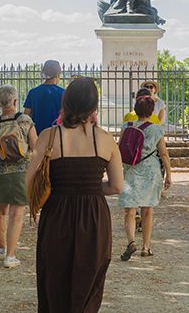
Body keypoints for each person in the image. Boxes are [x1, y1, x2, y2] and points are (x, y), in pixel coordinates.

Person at [26, 77, 123, 312]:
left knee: (54, 278)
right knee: (89, 281)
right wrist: (88, 187)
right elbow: (117, 186)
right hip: (93, 215)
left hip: (57, 212)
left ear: (66, 102)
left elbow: (28, 181)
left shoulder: (50, 136)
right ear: (94, 106)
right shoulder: (105, 139)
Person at [0, 85, 37, 268]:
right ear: (15, 101)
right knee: (17, 214)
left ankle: (1, 247)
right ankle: (11, 256)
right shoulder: (25, 120)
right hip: (21, 171)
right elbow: (35, 147)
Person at [118, 95, 172, 259]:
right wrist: (169, 174)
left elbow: (120, 147)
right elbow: (163, 153)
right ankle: (146, 247)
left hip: (130, 170)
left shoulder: (126, 126)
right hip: (150, 170)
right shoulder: (156, 129)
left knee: (129, 210)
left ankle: (131, 241)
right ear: (151, 111)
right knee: (147, 209)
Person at [24, 60, 64, 136]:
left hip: (36, 135)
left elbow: (26, 116)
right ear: (57, 75)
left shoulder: (33, 92)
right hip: (56, 135)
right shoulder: (63, 93)